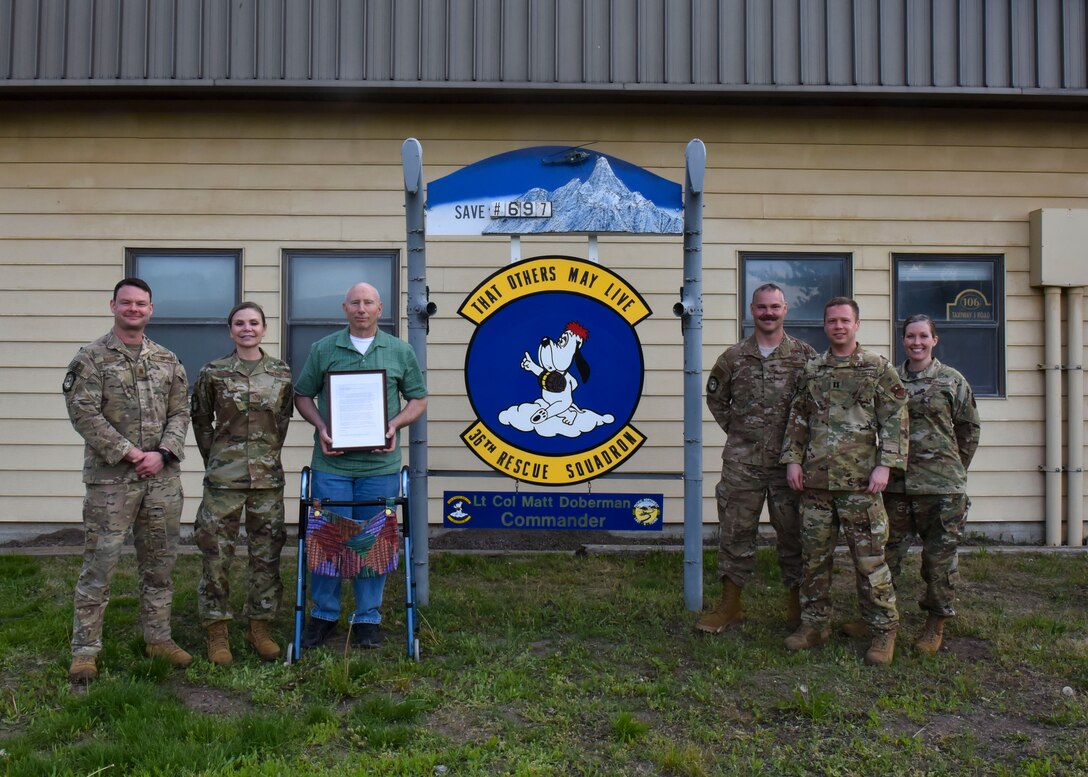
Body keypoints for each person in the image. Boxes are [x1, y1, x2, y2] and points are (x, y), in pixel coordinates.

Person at [63, 278, 192, 683]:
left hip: (161, 480)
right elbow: (84, 413)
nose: (134, 309)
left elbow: (180, 412)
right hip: (111, 482)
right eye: (126, 303)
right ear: (113, 306)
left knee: (159, 564)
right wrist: (130, 453)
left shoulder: (167, 359)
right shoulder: (91, 359)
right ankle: (85, 650)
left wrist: (163, 453)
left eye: (141, 304)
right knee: (99, 564)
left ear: (151, 309)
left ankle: (158, 637)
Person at [294, 282, 427, 649]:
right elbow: (303, 394)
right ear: (344, 308)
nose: (362, 308)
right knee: (328, 539)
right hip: (331, 465)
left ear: (380, 308)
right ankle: (324, 614)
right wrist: (322, 427)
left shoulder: (399, 351)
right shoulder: (324, 349)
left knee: (373, 541)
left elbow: (418, 398)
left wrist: (394, 425)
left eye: (368, 302)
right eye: (355, 302)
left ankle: (367, 616)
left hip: (380, 467)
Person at [780, 297, 908, 666]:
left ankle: (883, 630)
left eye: (845, 321)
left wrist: (887, 465)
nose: (838, 326)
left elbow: (896, 420)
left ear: (857, 325)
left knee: (870, 562)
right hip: (816, 484)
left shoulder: (876, 369)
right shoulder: (812, 369)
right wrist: (792, 460)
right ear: (824, 325)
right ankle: (814, 624)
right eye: (832, 320)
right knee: (814, 560)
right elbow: (798, 419)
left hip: (861, 485)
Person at [697, 283, 815, 633]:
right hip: (742, 463)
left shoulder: (804, 357)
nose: (768, 313)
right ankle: (729, 607)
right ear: (752, 310)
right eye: (762, 307)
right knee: (735, 532)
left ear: (785, 309)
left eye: (774, 307)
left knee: (794, 534)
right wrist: (740, 431)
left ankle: (798, 611)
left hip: (788, 465)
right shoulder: (733, 357)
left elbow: (813, 406)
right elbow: (716, 399)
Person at [191, 302, 294, 665]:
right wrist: (217, 458)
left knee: (266, 554)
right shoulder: (213, 372)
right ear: (230, 330)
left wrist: (264, 457)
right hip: (224, 479)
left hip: (267, 479)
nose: (247, 329)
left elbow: (281, 421)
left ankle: (259, 625)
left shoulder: (280, 373)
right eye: (239, 323)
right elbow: (201, 420)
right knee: (216, 555)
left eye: (254, 323)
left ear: (264, 329)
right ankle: (217, 630)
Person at [881, 314, 981, 654]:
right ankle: (881, 619)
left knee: (938, 561)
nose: (917, 342)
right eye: (911, 336)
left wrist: (953, 468)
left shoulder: (952, 381)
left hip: (942, 490)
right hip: (896, 487)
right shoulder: (891, 379)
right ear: (903, 340)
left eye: (923, 336)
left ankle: (935, 623)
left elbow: (968, 429)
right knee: (884, 556)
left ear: (934, 340)